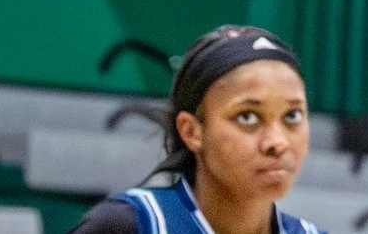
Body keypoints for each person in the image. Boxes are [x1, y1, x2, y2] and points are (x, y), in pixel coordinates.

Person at [68, 26, 324, 234]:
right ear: (191, 131)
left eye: (293, 115)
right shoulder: (128, 226)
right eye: (247, 117)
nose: (277, 142)